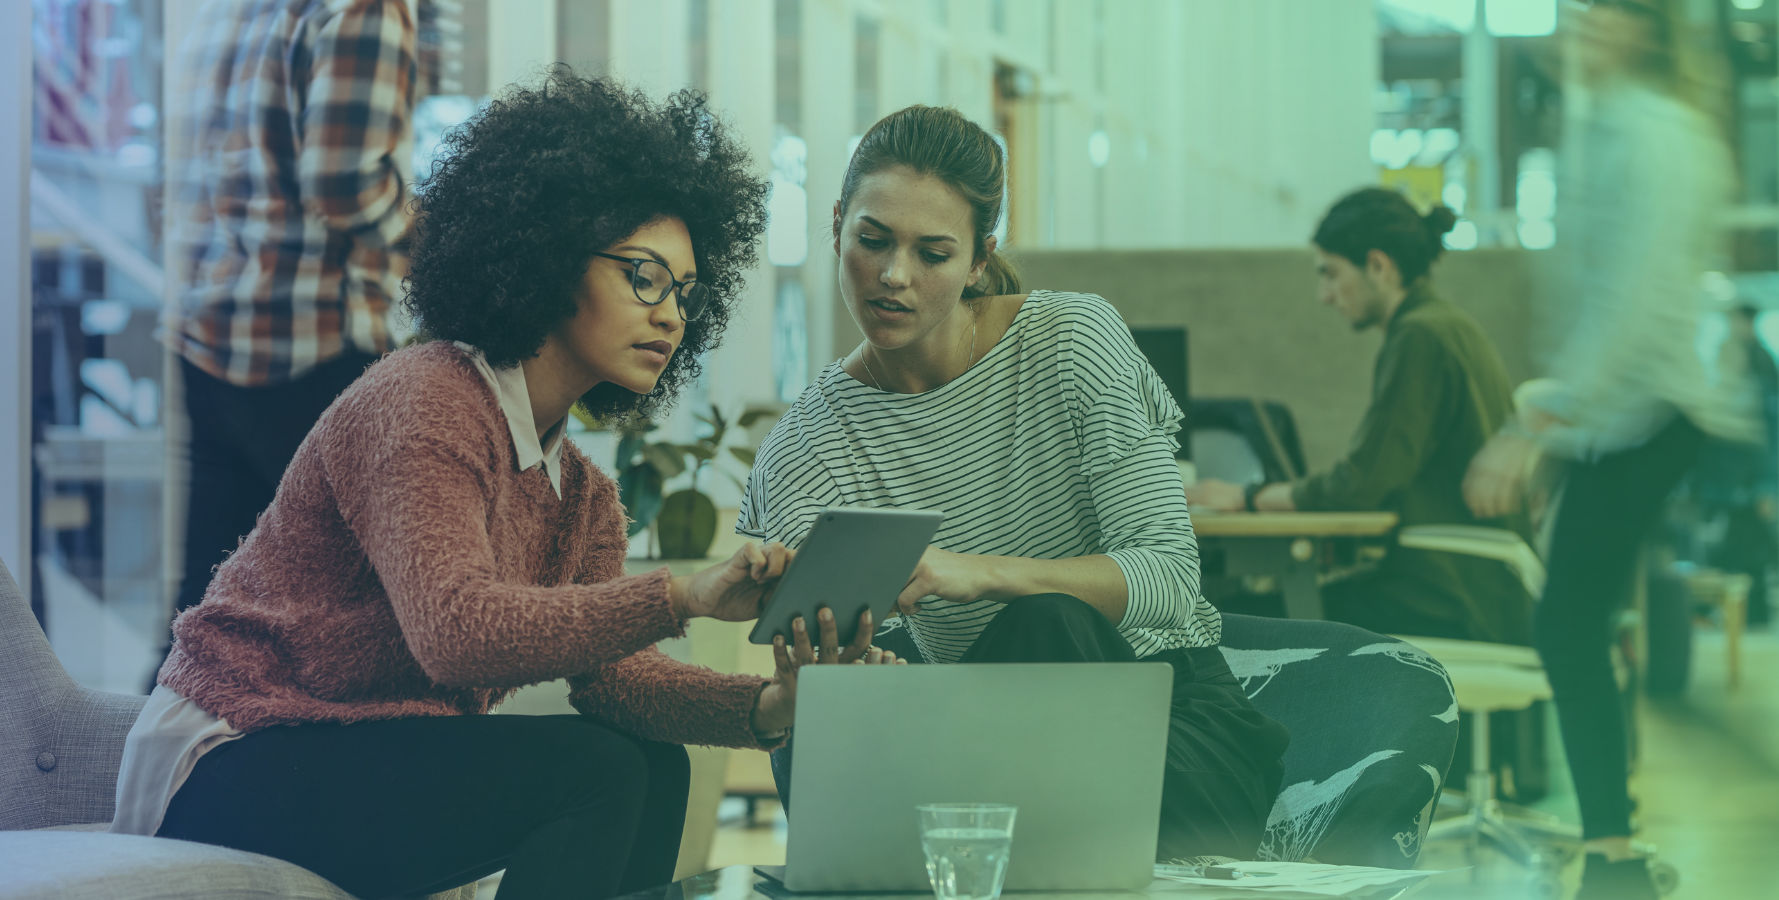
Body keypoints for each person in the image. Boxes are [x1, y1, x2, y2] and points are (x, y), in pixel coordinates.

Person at [113, 71, 894, 900]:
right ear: (550, 252)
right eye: (644, 275)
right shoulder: (425, 398)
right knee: (594, 772)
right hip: (234, 749)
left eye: (685, 292)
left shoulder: (581, 493)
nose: (671, 314)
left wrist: (771, 706)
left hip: (359, 749)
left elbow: (619, 682)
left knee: (651, 765)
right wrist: (684, 594)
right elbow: (455, 630)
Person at [738, 104, 1288, 862]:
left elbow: (1169, 574)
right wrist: (831, 662)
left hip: (1171, 739)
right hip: (979, 752)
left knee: (1044, 624)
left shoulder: (1072, 342)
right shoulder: (803, 448)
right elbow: (881, 697)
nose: (894, 276)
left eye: (933, 253)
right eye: (873, 241)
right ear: (836, 225)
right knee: (824, 722)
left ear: (979, 259)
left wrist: (979, 576)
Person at [1463, 3, 1759, 898]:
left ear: (1643, 29)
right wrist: (1562, 433)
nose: (1579, 31)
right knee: (1579, 622)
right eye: (1575, 15)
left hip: (1655, 409)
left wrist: (1534, 433)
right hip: (1623, 411)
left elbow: (1629, 304)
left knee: (1569, 622)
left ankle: (1615, 858)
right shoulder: (1601, 130)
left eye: (1601, 16)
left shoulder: (1661, 135)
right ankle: (1613, 849)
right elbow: (1589, 308)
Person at [157, 0, 428, 684]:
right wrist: (440, 239)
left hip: (213, 337)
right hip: (314, 349)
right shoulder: (362, 8)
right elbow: (346, 184)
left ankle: (147, 781)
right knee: (347, 634)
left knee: (209, 615)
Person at [1188, 188, 1533, 646]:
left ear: (1378, 265)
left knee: (1223, 624)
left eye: (1330, 274)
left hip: (1446, 597)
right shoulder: (1444, 326)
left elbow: (1359, 486)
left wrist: (1247, 497)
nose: (1325, 295)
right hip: (1478, 590)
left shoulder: (1421, 338)